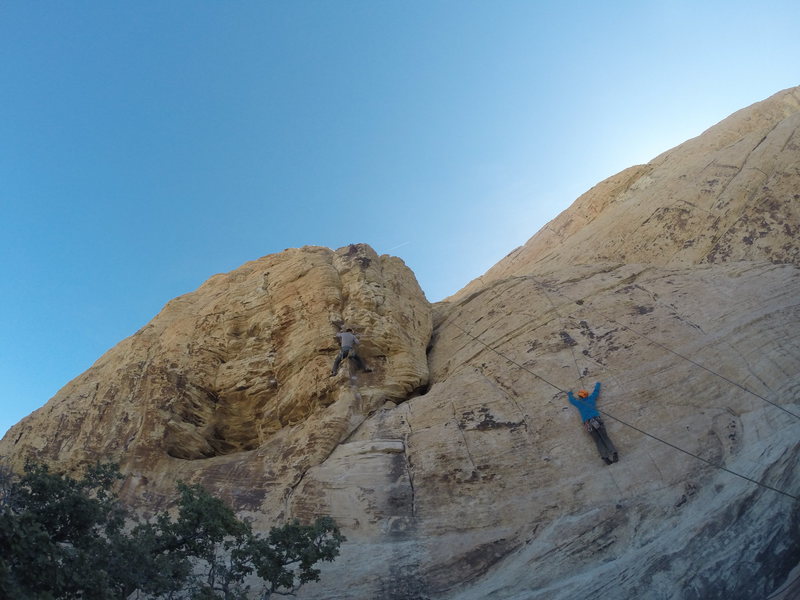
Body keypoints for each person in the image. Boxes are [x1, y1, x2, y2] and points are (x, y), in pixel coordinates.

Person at [568, 382, 619, 465]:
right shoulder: (591, 398)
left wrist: (569, 393)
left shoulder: (579, 403)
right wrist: (598, 384)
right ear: (586, 395)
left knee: (598, 441)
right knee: (604, 437)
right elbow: (596, 392)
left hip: (588, 424)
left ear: (580, 396)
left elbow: (571, 400)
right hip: (596, 420)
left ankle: (605, 458)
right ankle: (614, 453)